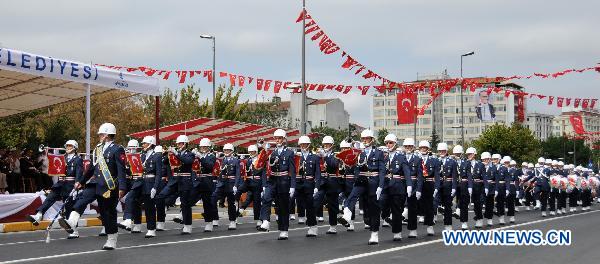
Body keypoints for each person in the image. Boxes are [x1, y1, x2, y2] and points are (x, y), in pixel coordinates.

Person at [59, 123, 127, 250]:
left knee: (107, 213)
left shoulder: (118, 149)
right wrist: (82, 181)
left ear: (107, 135)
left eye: (101, 134)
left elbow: (121, 169)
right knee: (82, 199)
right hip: (94, 183)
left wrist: (122, 187)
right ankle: (72, 222)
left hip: (108, 186)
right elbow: (91, 168)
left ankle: (112, 238)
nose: (100, 136)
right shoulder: (97, 149)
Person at [27, 140, 83, 239]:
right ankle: (39, 215)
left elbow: (79, 173)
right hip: (60, 183)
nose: (68, 147)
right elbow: (54, 165)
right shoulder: (62, 157)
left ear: (75, 147)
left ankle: (74, 230)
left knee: (69, 207)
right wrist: (47, 152)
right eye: (67, 146)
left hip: (70, 184)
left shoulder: (78, 159)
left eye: (70, 146)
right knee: (50, 197)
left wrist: (77, 184)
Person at [340, 129, 385, 245]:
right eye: (363, 139)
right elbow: (354, 167)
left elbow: (382, 170)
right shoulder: (358, 152)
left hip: (373, 181)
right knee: (352, 196)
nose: (365, 141)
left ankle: (374, 234)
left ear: (372, 140)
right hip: (361, 179)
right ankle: (347, 216)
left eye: (367, 138)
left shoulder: (378, 152)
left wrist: (380, 186)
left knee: (373, 208)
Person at [258, 129, 297, 240]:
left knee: (283, 207)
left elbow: (293, 171)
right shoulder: (271, 152)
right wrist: (265, 185)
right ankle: (265, 221)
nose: (278, 140)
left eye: (280, 138)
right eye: (276, 138)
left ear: (284, 139)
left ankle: (284, 230)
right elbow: (263, 167)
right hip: (273, 179)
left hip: (284, 181)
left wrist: (292, 186)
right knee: (266, 198)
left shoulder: (289, 152)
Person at [189, 138, 219, 232]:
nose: (203, 148)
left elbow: (209, 166)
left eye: (205, 146)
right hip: (198, 180)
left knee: (207, 203)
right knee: (190, 199)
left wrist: (200, 157)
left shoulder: (212, 156)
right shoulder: (198, 156)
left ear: (209, 147)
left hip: (207, 181)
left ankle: (209, 223)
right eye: (202, 146)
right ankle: (184, 217)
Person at [313, 136, 341, 235]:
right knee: (316, 200)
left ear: (332, 145)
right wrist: (318, 156)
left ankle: (333, 226)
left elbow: (334, 165)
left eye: (327, 144)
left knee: (332, 204)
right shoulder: (319, 155)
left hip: (332, 181)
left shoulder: (336, 155)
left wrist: (326, 156)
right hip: (322, 181)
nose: (325, 146)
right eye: (324, 144)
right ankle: (313, 225)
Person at [294, 135, 321, 237]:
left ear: (308, 145)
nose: (303, 146)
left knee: (310, 206)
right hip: (298, 183)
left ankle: (312, 227)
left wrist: (316, 186)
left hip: (309, 184)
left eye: (305, 144)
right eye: (301, 144)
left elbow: (318, 173)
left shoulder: (315, 157)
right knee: (299, 203)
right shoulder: (297, 157)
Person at [213, 143, 241, 230]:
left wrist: (236, 185)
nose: (226, 152)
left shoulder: (236, 160)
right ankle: (215, 218)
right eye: (225, 150)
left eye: (228, 150)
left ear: (232, 151)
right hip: (222, 183)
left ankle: (232, 221)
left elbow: (238, 174)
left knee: (231, 203)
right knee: (213, 199)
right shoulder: (221, 160)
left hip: (231, 183)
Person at [236, 145, 265, 227]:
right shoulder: (247, 161)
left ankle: (258, 219)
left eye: (253, 152)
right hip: (248, 182)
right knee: (238, 192)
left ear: (256, 152)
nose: (251, 153)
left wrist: (263, 187)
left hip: (257, 183)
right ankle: (236, 209)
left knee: (256, 202)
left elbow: (263, 174)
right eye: (250, 152)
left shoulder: (260, 161)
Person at [437, 143, 458, 231]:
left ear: (446, 151)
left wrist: (454, 187)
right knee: (435, 203)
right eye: (440, 151)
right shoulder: (435, 161)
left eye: (443, 151)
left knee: (448, 206)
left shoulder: (452, 162)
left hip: (448, 185)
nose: (442, 152)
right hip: (438, 185)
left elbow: (454, 176)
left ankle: (448, 225)